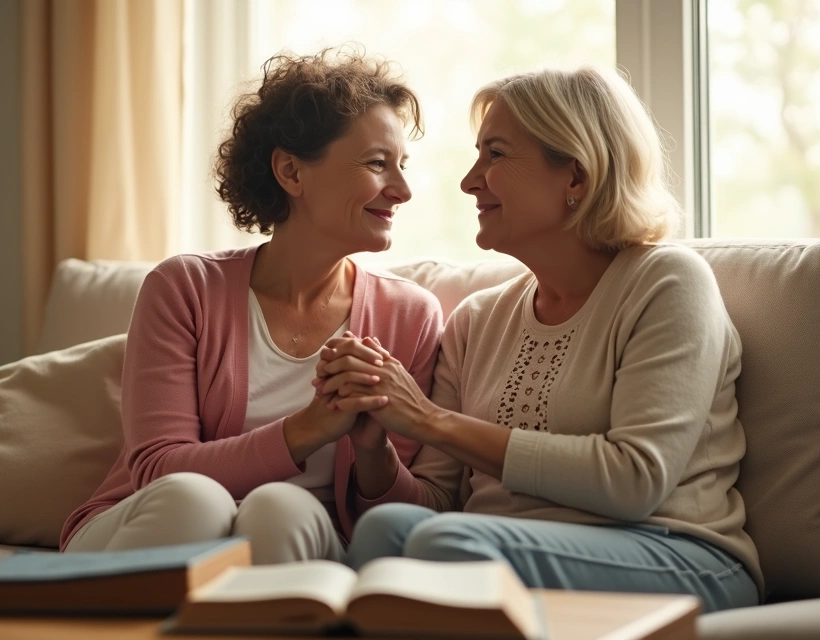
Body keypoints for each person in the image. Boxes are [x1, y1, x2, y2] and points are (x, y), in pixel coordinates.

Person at [315, 66, 761, 612]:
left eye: (496, 154)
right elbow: (435, 503)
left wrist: (428, 419)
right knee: (385, 530)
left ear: (577, 177)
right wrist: (374, 443)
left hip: (678, 552)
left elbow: (635, 480)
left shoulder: (668, 283)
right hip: (489, 543)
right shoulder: (477, 320)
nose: (470, 181)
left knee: (446, 546)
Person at [60, 48, 444, 565]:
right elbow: (156, 469)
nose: (402, 190)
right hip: (155, 520)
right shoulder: (185, 287)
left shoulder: (411, 316)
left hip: (297, 535)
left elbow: (403, 524)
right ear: (291, 171)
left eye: (402, 166)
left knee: (281, 508)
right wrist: (308, 429)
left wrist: (375, 451)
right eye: (378, 164)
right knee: (194, 499)